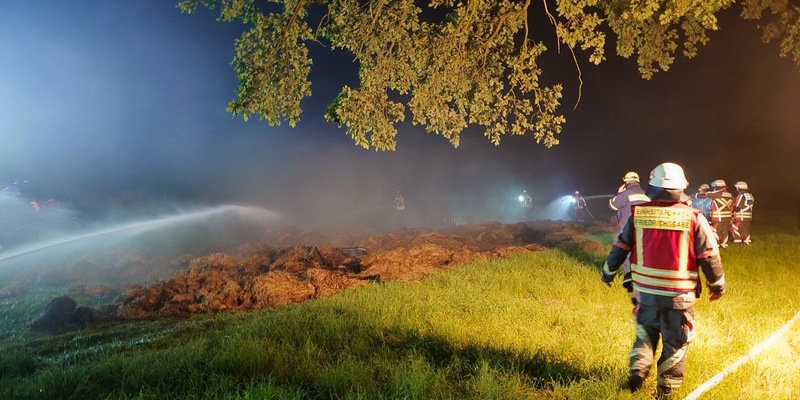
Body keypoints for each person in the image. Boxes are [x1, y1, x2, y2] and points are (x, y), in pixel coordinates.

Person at [601, 162, 726, 399]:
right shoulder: (694, 217)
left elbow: (620, 247)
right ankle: (665, 392)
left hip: (645, 293)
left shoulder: (638, 214)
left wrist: (607, 273)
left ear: (653, 187)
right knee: (675, 343)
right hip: (678, 296)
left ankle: (638, 370)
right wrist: (717, 286)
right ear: (681, 189)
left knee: (645, 333)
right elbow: (709, 256)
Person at [608, 171, 650, 305]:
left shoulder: (626, 193)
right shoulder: (646, 194)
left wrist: (618, 193)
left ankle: (631, 280)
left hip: (627, 228)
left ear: (627, 182)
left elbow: (613, 205)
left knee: (626, 254)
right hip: (644, 229)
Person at [707, 179, 734, 248]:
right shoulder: (730, 195)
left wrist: (695, 195)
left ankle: (716, 245)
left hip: (717, 217)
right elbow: (733, 206)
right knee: (725, 231)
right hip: (728, 217)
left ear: (716, 187)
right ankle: (724, 244)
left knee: (715, 231)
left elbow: (704, 195)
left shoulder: (714, 194)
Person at [731, 181, 754, 245]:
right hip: (749, 216)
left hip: (741, 216)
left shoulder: (740, 195)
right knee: (745, 229)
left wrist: (732, 210)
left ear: (739, 188)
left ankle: (737, 244)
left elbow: (737, 207)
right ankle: (747, 243)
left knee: (735, 228)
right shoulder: (750, 195)